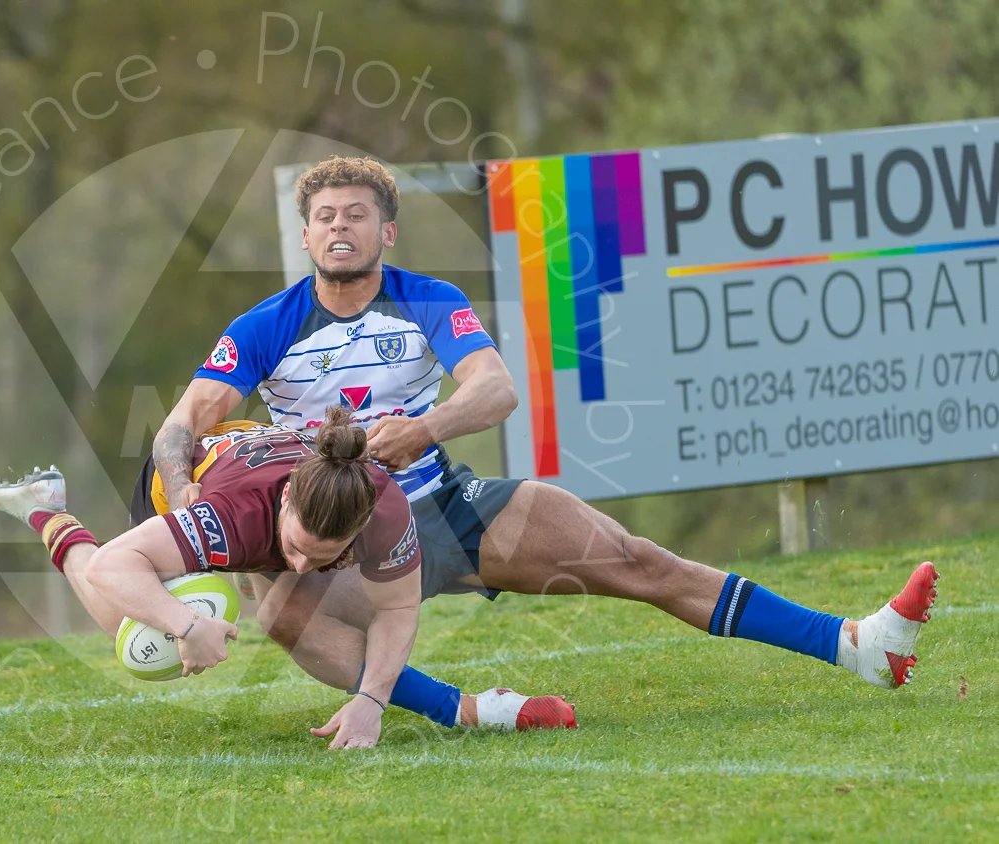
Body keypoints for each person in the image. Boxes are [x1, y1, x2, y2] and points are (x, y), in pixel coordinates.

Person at [145, 154, 942, 738]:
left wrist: (423, 430)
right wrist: (183, 493)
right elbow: (180, 425)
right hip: (345, 543)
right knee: (284, 607)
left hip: (445, 507)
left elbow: (495, 391)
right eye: (324, 216)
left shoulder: (427, 299)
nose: (339, 227)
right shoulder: (265, 327)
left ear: (386, 229)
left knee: (642, 562)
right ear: (308, 233)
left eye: (356, 214)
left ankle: (857, 645)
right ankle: (475, 712)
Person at [0, 410, 569, 749]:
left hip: (266, 476)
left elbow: (398, 610)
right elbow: (117, 566)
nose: (301, 568)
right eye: (295, 549)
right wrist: (186, 624)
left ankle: (468, 709)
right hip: (195, 484)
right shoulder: (229, 519)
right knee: (137, 637)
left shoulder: (382, 508)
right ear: (286, 504)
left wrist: (370, 700)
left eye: (324, 557)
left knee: (289, 610)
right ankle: (47, 507)